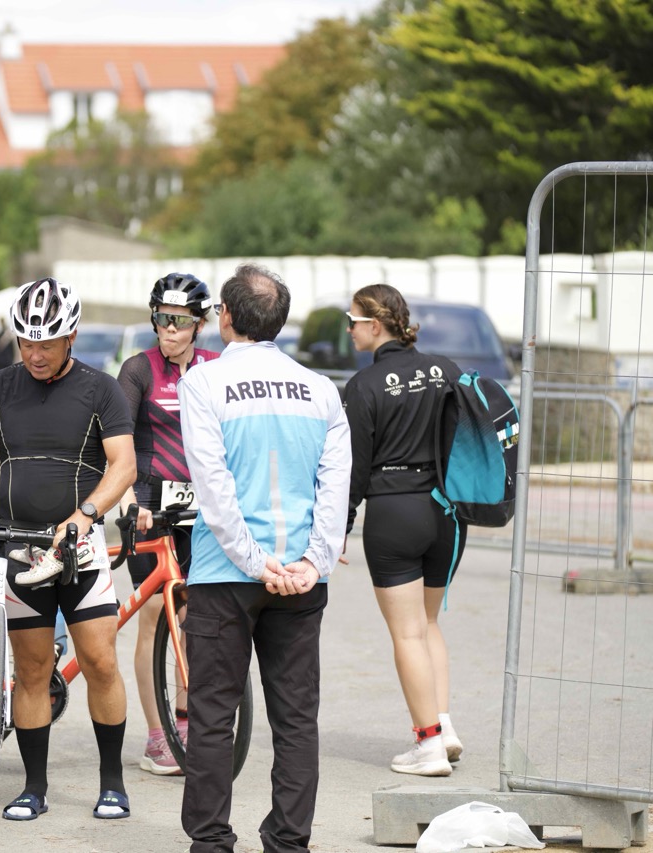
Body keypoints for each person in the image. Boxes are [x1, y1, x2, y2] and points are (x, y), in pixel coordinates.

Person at [179, 263, 350, 853]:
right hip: (300, 577)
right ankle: (288, 840)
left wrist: (253, 562)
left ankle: (210, 842)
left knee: (212, 716)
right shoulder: (320, 389)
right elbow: (335, 488)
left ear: (225, 317)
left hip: (224, 574)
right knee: (296, 719)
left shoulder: (203, 383)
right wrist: (314, 562)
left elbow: (214, 488)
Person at [0, 276, 137, 823]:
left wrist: (85, 515)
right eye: (27, 342)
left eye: (47, 343)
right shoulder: (0, 385)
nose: (35, 354)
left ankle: (113, 783)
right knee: (31, 670)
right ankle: (34, 789)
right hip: (18, 544)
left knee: (100, 661)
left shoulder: (101, 389)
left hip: (80, 546)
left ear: (71, 337)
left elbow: (124, 465)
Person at [342, 283, 466, 776]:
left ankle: (428, 745)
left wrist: (339, 527)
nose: (348, 329)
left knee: (407, 634)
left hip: (394, 514)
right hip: (446, 512)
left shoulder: (364, 386)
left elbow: (355, 468)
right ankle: (444, 726)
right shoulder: (446, 369)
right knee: (429, 624)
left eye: (352, 320)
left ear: (375, 325)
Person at [115, 272, 217, 776]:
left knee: (193, 619)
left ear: (199, 324)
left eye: (179, 321)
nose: (169, 329)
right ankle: (157, 737)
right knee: (156, 615)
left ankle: (185, 725)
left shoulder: (215, 367)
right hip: (149, 504)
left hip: (202, 508)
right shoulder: (138, 369)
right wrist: (128, 500)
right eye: (162, 319)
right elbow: (117, 440)